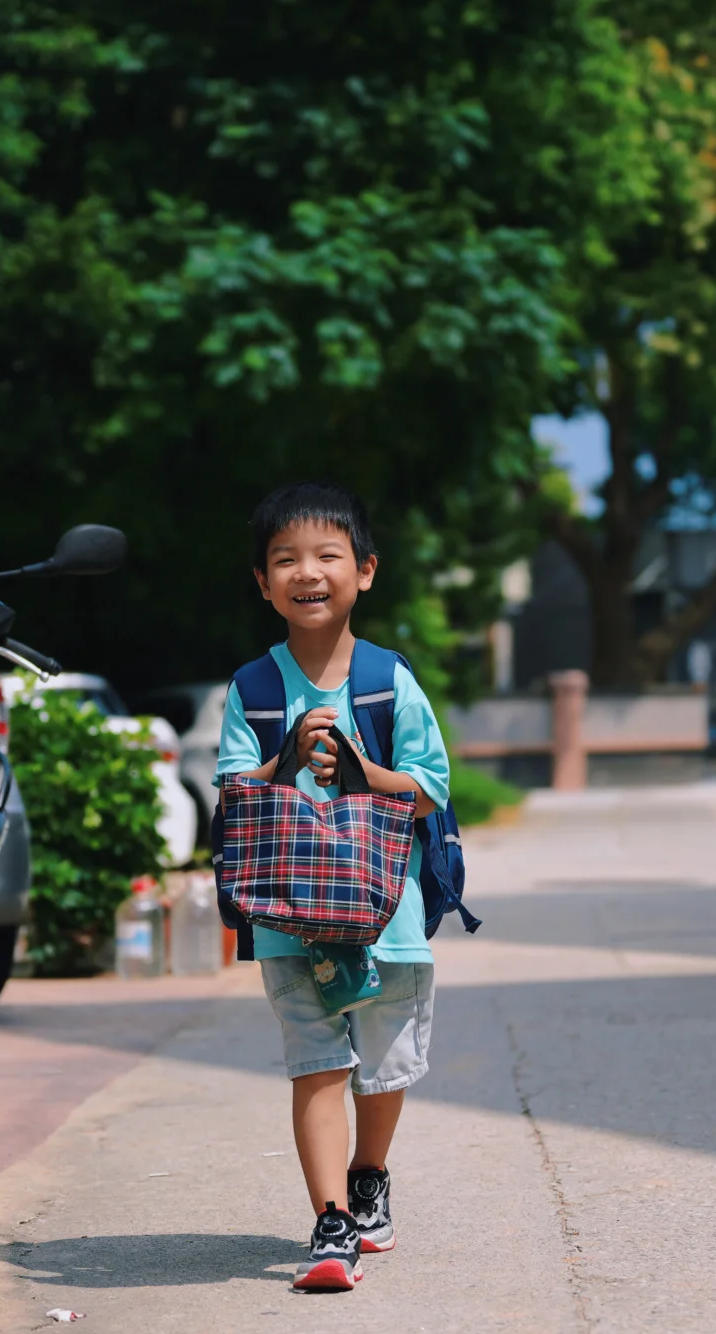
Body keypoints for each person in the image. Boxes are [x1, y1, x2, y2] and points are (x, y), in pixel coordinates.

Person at [213, 483, 450, 1291]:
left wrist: (363, 770)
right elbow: (233, 792)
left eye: (326, 556)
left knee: (381, 1069)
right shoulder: (252, 689)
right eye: (286, 559)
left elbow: (429, 789)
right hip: (290, 919)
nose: (306, 572)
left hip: (389, 916)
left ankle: (369, 1174)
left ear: (365, 572)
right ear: (263, 582)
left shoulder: (389, 680)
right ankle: (331, 1222)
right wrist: (284, 757)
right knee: (317, 1064)